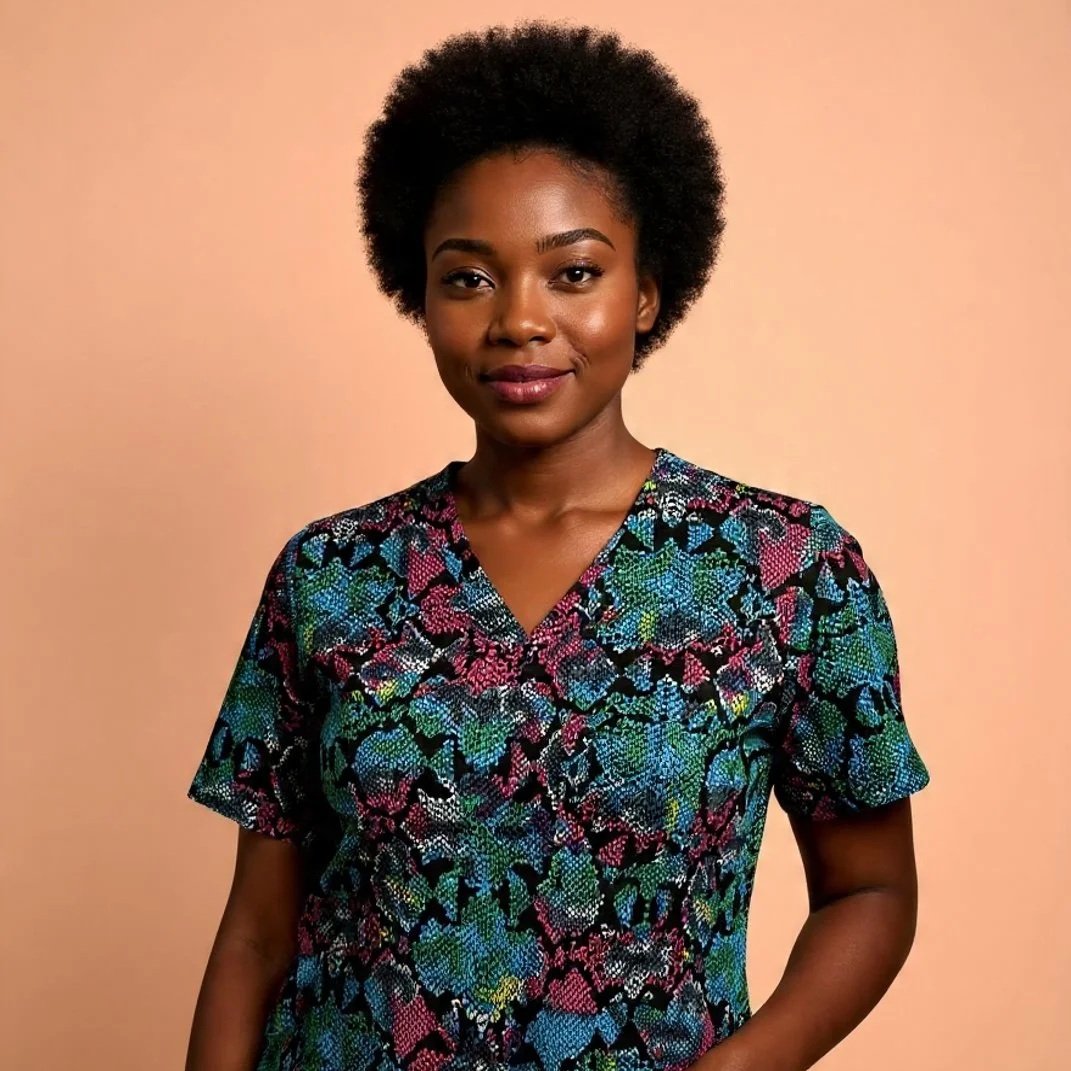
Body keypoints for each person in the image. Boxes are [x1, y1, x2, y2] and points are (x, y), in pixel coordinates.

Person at [184, 20, 931, 1071]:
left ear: (647, 294)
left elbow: (872, 889)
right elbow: (257, 930)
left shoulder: (788, 569)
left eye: (572, 274)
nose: (519, 321)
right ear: (422, 298)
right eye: (471, 278)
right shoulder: (328, 576)